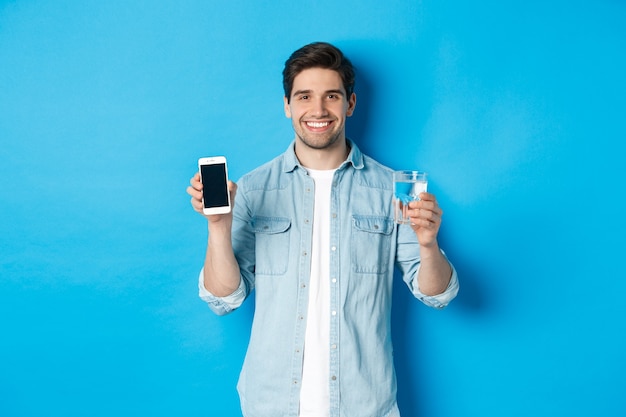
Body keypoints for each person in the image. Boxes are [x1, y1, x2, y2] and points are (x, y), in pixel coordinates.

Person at [186, 42, 459, 417]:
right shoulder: (252, 189)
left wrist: (428, 246)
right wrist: (218, 227)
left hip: (365, 406)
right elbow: (224, 299)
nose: (318, 110)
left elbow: (437, 294)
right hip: (271, 405)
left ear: (350, 104)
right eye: (304, 97)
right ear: (287, 105)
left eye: (331, 96)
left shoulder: (392, 189)